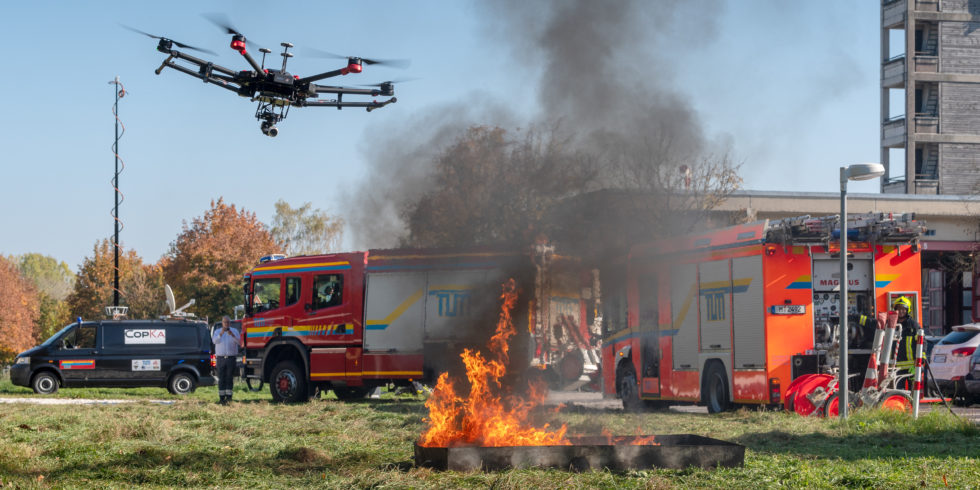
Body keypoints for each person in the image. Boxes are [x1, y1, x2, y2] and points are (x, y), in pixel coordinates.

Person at [212, 316, 240, 404]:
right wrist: (221, 333)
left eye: (228, 322)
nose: (226, 324)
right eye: (225, 322)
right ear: (222, 323)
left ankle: (229, 398)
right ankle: (221, 398)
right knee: (221, 378)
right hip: (220, 359)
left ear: (230, 323)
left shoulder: (234, 331)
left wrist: (232, 335)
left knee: (229, 378)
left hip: (231, 358)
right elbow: (214, 341)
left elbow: (239, 342)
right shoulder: (217, 331)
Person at [892, 296, 921, 376]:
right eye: (898, 308)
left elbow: (922, 342)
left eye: (903, 309)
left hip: (912, 366)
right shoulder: (892, 324)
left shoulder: (913, 325)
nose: (901, 311)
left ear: (908, 310)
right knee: (898, 388)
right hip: (896, 367)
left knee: (913, 388)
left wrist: (921, 358)